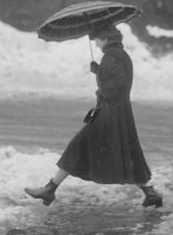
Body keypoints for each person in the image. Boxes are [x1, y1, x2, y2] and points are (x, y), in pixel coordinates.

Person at [25, 24, 163, 208]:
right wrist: (99, 71)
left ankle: (50, 190)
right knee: (125, 151)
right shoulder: (119, 55)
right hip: (118, 113)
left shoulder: (112, 56)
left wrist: (101, 89)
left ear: (105, 37)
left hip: (109, 114)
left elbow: (116, 87)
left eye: (97, 40)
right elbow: (116, 79)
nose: (96, 44)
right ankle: (150, 192)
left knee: (78, 146)